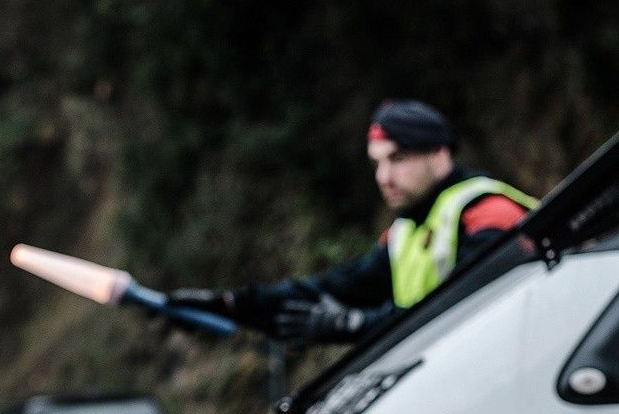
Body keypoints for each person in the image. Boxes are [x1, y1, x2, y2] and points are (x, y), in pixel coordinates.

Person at [168, 99, 539, 345]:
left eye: (397, 159)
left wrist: (352, 326)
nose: (383, 176)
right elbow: (334, 290)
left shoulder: (491, 213)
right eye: (377, 163)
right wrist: (231, 306)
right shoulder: (407, 230)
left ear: (440, 153)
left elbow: (468, 309)